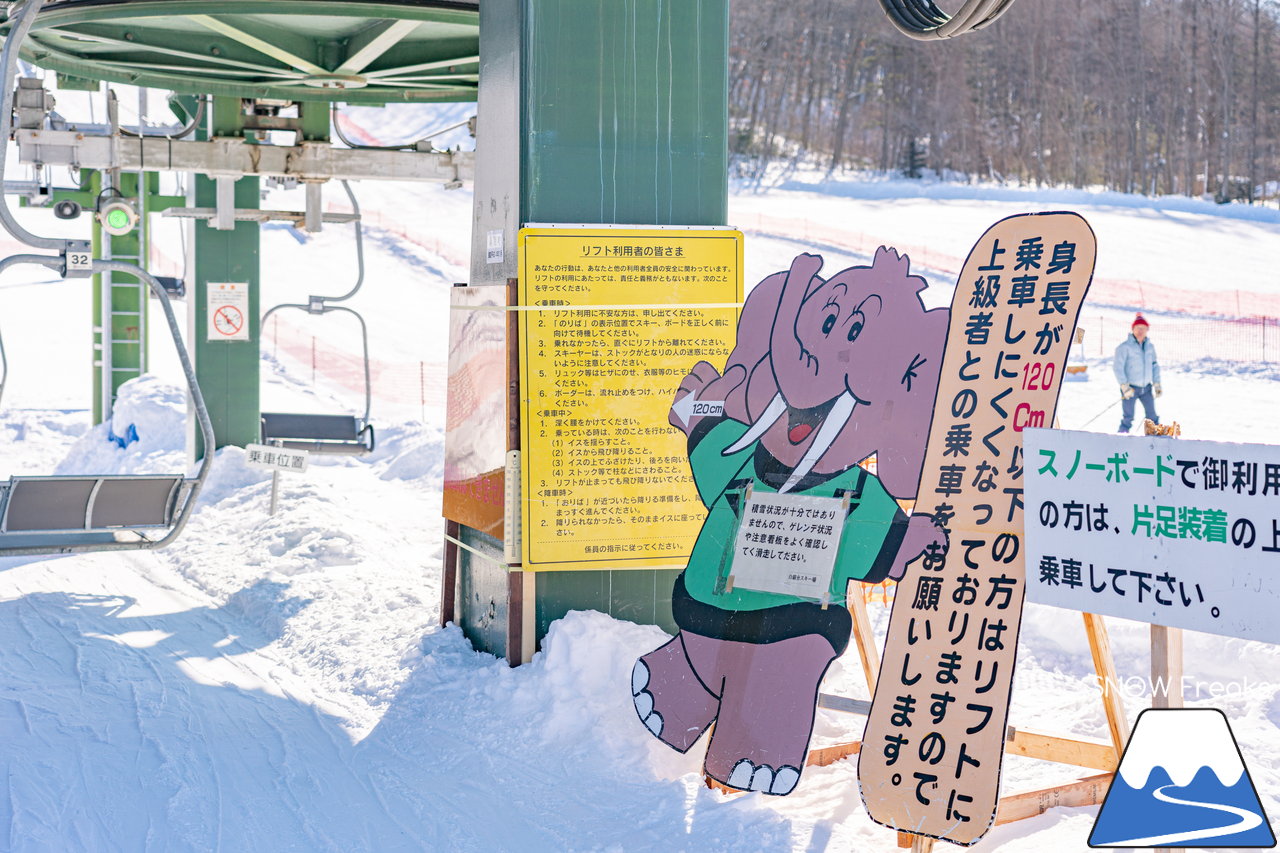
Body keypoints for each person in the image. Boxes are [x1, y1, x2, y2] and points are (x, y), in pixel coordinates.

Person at [1113, 313, 1162, 433]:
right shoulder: (1124, 347)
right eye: (1138, 328)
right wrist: (1124, 386)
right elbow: (1118, 367)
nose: (1140, 331)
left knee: (1152, 417)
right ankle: (1121, 439)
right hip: (1131, 388)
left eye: (1143, 328)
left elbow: (1154, 365)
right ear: (1133, 329)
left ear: (1147, 330)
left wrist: (1157, 383)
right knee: (1128, 417)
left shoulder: (1150, 347)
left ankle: (1154, 441)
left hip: (1146, 388)